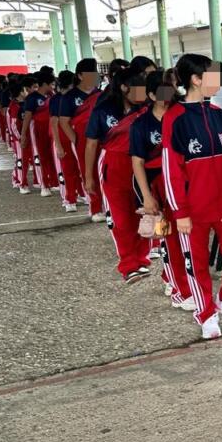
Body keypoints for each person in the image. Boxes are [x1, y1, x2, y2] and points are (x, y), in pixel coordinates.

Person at [163, 53, 222, 337]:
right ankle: (206, 313)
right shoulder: (174, 118)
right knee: (196, 262)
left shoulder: (219, 115)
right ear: (196, 79)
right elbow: (172, 171)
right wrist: (180, 212)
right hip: (193, 207)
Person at [131, 70, 193, 309]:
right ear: (150, 95)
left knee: (186, 237)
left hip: (182, 185)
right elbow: (137, 162)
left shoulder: (182, 115)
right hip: (156, 189)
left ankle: (172, 277)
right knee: (167, 237)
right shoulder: (141, 124)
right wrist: (147, 197)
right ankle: (179, 289)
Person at [86, 68, 151, 283]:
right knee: (120, 218)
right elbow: (91, 143)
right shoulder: (103, 110)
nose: (143, 92)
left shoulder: (147, 109)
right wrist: (88, 176)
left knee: (143, 213)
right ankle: (128, 264)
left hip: (140, 165)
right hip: (113, 166)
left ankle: (142, 258)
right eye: (139, 88)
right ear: (124, 88)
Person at [66, 58, 113, 221]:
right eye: (91, 72)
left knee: (104, 172)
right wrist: (76, 140)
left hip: (102, 138)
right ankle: (95, 208)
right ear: (80, 75)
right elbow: (63, 122)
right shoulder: (70, 96)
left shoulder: (100, 94)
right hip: (83, 139)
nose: (95, 76)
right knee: (88, 172)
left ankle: (107, 205)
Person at [20, 70, 59, 196]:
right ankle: (44, 185)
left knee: (52, 156)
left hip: (51, 129)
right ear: (45, 84)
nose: (53, 87)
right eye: (51, 84)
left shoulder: (51, 96)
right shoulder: (32, 98)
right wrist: (23, 135)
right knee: (41, 157)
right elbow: (27, 117)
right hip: (38, 130)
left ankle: (54, 182)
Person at [51, 71, 82, 212]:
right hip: (64, 138)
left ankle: (81, 194)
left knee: (79, 169)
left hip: (76, 136)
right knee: (68, 170)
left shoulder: (75, 97)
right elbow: (54, 122)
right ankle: (70, 199)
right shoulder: (57, 99)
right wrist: (58, 145)